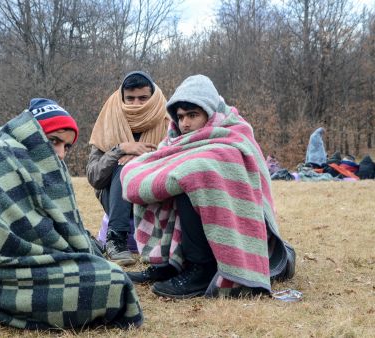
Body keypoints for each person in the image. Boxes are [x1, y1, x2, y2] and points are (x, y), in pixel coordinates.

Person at [0, 98, 143, 329]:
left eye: (67, 146)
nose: (61, 154)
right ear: (33, 134)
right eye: (54, 141)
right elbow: (10, 237)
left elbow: (59, 228)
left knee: (104, 273)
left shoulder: (38, 164)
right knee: (112, 283)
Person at [122, 75, 295, 299]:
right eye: (181, 116)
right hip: (196, 222)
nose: (185, 123)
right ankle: (170, 262)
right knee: (169, 178)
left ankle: (202, 269)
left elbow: (216, 171)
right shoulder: (176, 140)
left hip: (227, 234)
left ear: (210, 113)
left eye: (193, 115)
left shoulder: (232, 134)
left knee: (192, 176)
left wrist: (187, 173)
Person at [87, 71, 170, 266]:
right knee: (122, 165)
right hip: (115, 197)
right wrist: (120, 149)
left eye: (143, 98)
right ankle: (116, 239)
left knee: (130, 164)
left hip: (154, 196)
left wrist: (143, 158)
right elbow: (94, 178)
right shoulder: (108, 123)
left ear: (153, 97)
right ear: (121, 97)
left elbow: (176, 168)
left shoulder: (168, 122)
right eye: (130, 99)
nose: (136, 104)